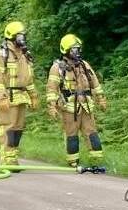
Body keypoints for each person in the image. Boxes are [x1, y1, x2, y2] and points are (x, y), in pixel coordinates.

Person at [46, 34, 108, 169]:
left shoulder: (84, 65)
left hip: (86, 105)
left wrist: (101, 98)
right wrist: (52, 106)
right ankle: (73, 162)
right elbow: (52, 89)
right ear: (66, 51)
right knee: (72, 135)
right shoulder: (58, 68)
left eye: (78, 49)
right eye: (74, 49)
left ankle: (96, 160)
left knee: (91, 132)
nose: (77, 52)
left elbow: (95, 82)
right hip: (69, 108)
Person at [0, 21, 39, 165]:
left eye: (23, 36)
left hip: (21, 97)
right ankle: (6, 159)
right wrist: (1, 97)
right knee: (7, 127)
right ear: (12, 37)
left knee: (18, 129)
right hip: (7, 97)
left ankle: (13, 158)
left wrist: (33, 95)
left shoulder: (24, 55)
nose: (22, 39)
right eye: (20, 36)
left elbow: (27, 78)